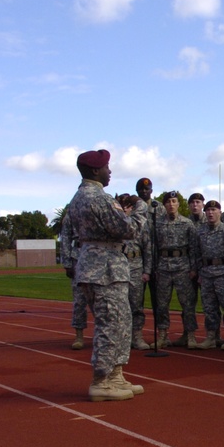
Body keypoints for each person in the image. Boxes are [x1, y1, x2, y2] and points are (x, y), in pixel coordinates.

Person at [67, 149, 146, 401]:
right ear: (95, 171)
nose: (109, 171)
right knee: (110, 324)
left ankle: (115, 375)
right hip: (105, 269)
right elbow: (128, 228)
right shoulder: (98, 198)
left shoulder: (79, 197)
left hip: (98, 266)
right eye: (106, 167)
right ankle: (102, 379)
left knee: (120, 322)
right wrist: (140, 209)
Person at [152, 191, 200, 348]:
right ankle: (163, 335)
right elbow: (153, 248)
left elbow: (193, 248)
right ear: (164, 205)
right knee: (162, 304)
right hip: (163, 267)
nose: (171, 204)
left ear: (179, 204)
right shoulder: (157, 223)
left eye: (174, 201)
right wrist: (155, 268)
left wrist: (193, 268)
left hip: (183, 267)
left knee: (187, 303)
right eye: (168, 202)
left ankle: (190, 335)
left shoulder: (187, 223)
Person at [195, 200, 224, 349]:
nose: (211, 213)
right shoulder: (200, 230)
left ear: (220, 212)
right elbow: (197, 253)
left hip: (223, 272)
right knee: (209, 307)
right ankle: (212, 336)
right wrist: (199, 270)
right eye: (208, 210)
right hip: (206, 273)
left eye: (214, 210)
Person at [117, 193, 153, 350]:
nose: (125, 209)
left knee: (137, 306)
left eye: (128, 206)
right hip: (118, 269)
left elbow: (148, 249)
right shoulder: (114, 225)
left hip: (136, 267)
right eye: (122, 206)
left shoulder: (140, 226)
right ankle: (122, 337)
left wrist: (147, 271)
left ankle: (137, 336)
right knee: (118, 306)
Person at [58, 206, 89, 350]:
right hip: (78, 257)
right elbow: (65, 238)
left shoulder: (99, 209)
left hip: (98, 256)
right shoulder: (72, 214)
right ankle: (79, 336)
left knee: (102, 300)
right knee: (79, 300)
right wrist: (67, 263)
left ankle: (104, 336)